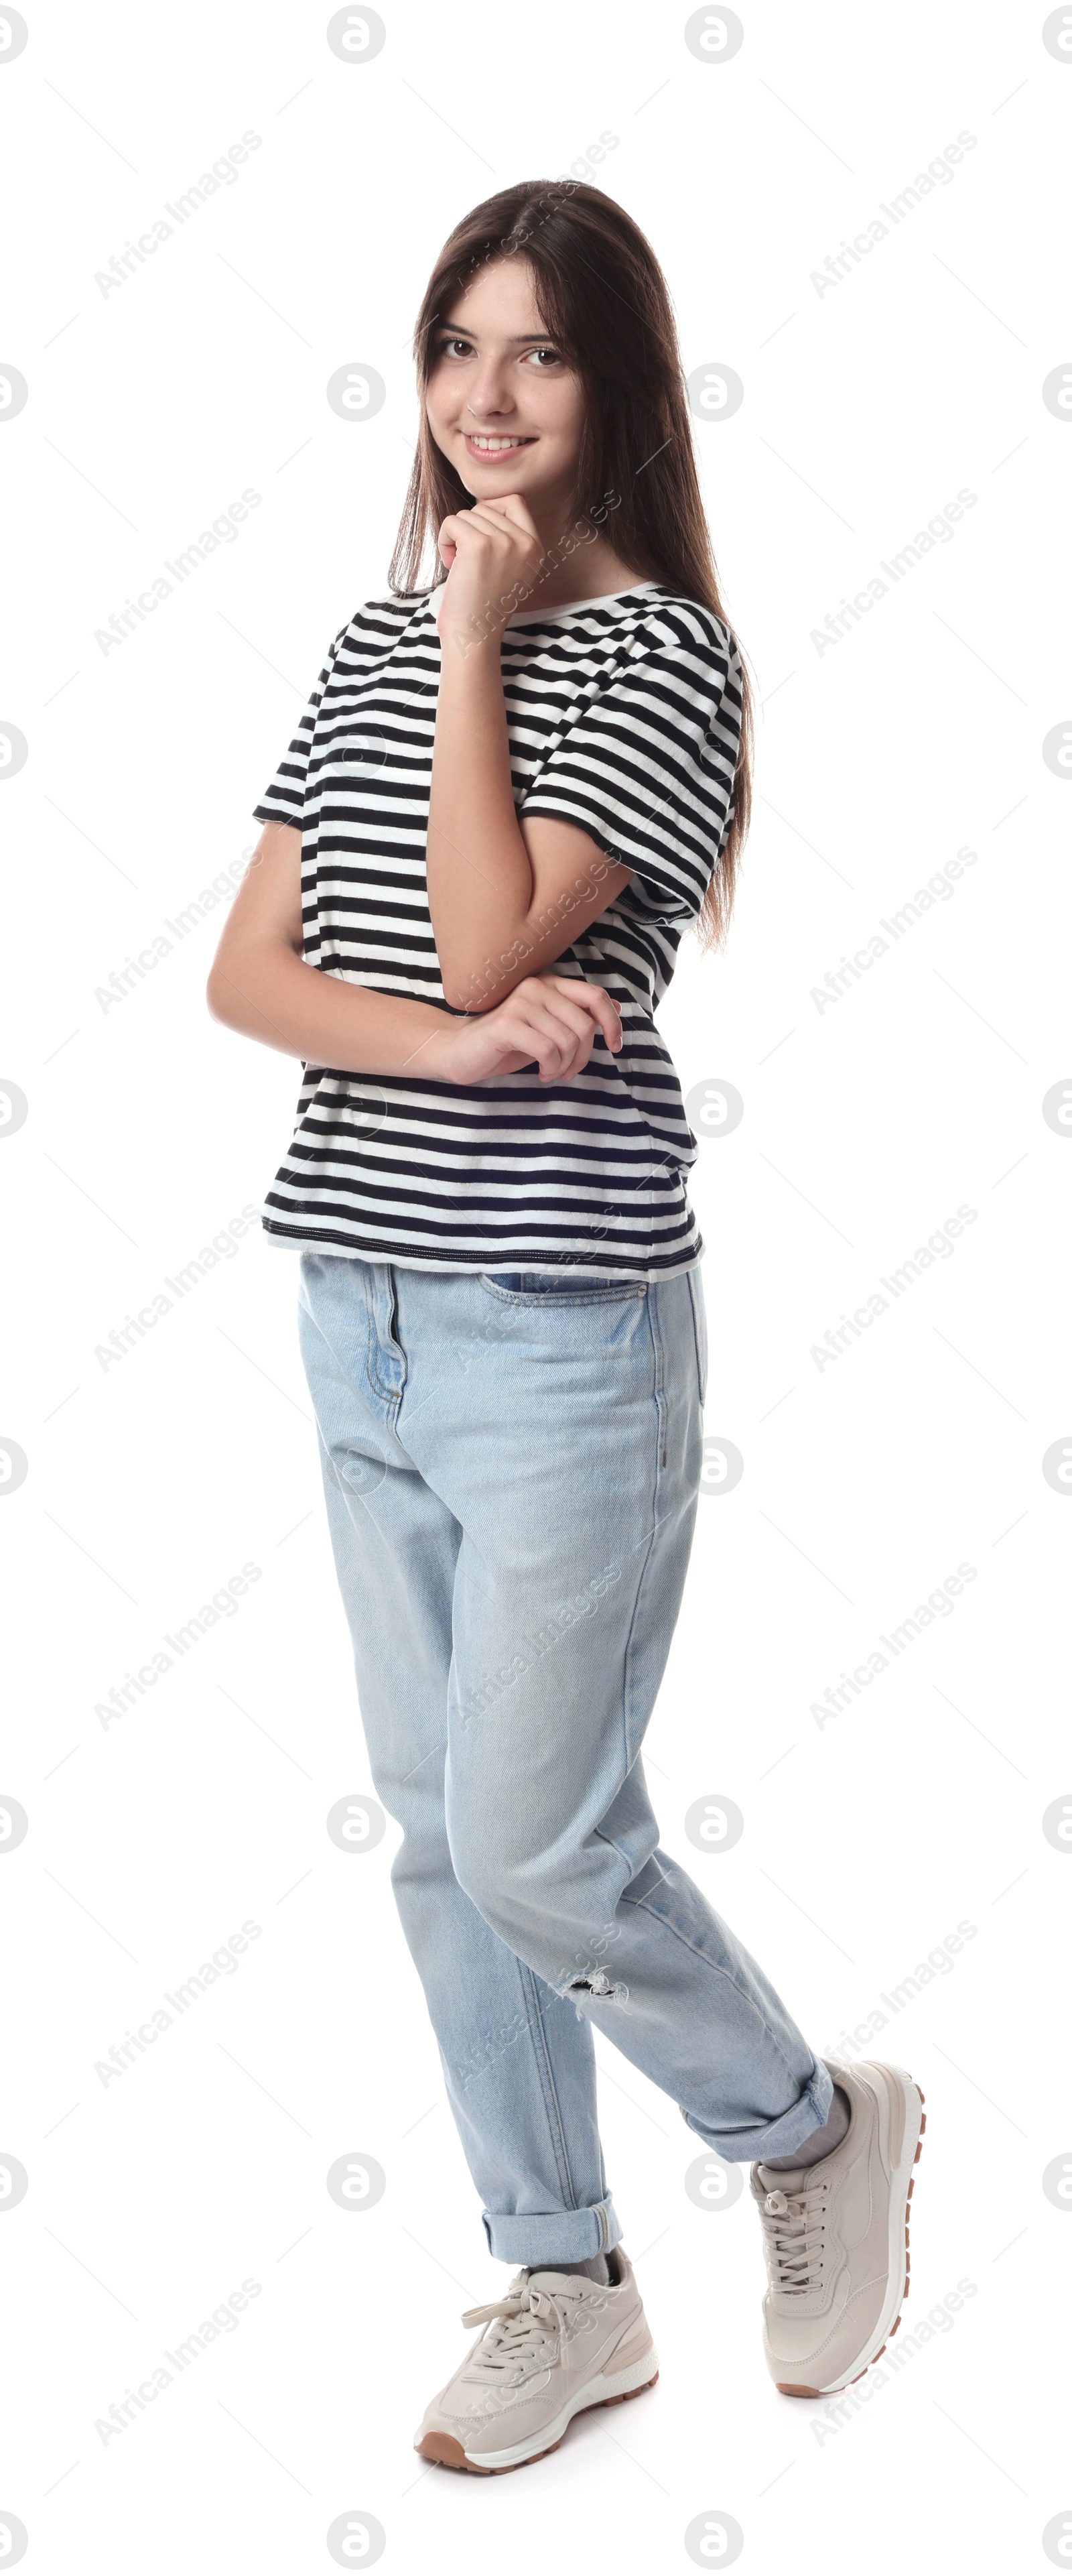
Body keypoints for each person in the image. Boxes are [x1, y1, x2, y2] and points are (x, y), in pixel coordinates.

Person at [206, 180, 924, 2477]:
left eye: (536, 356)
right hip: (363, 1311)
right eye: (453, 351)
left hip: (559, 1335)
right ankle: (565, 2274)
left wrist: (480, 652)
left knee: (539, 1836)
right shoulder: (363, 640)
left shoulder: (658, 659)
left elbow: (481, 911)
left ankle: (807, 2126)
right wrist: (438, 1043)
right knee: (439, 1836)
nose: (484, 400)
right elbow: (258, 980)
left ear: (616, 391)